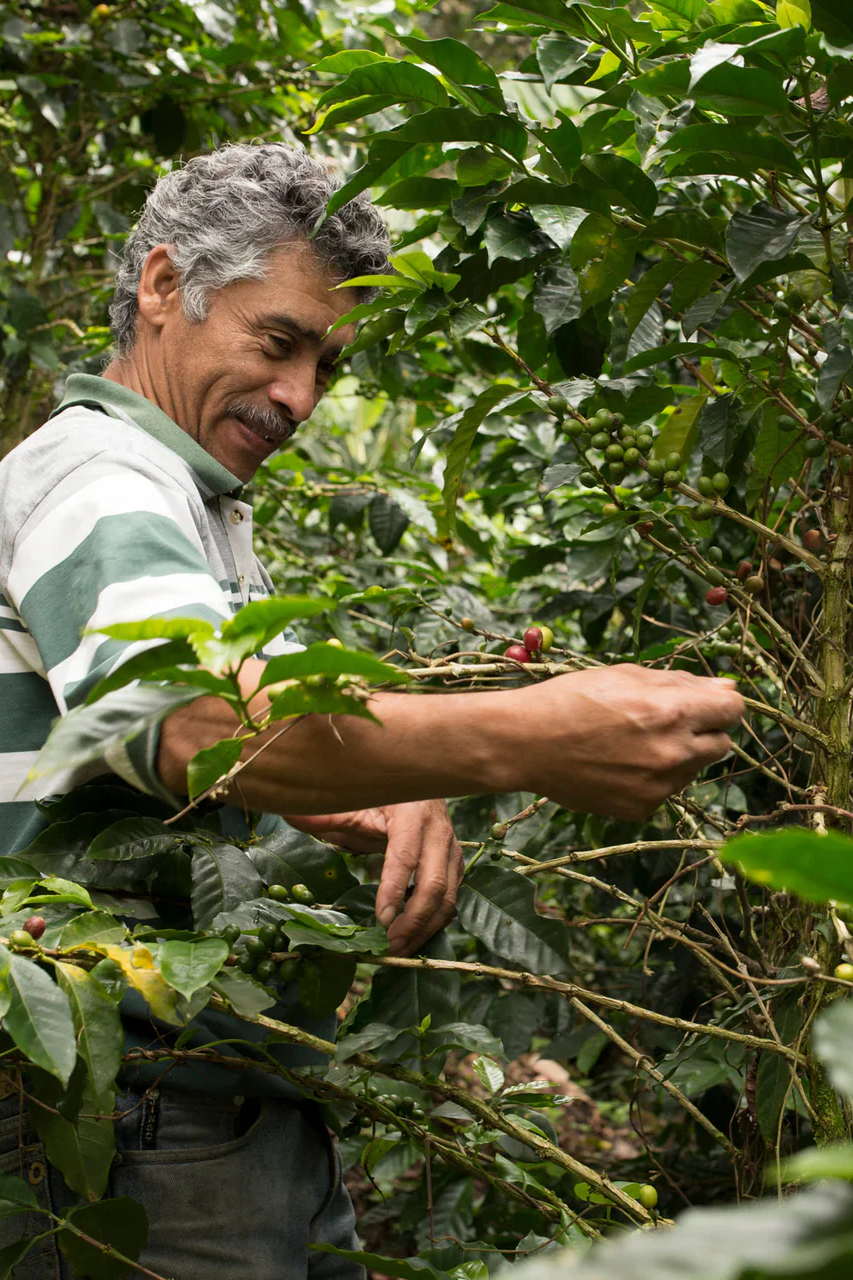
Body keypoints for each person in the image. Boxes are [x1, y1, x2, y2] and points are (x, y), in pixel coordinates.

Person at [0, 144, 743, 1278]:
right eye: (279, 341)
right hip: (128, 1128)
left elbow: (232, 731)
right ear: (162, 288)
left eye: (327, 365)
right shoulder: (101, 476)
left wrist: (375, 790)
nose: (299, 397)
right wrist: (535, 733)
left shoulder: (190, 502)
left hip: (222, 1102)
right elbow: (191, 719)